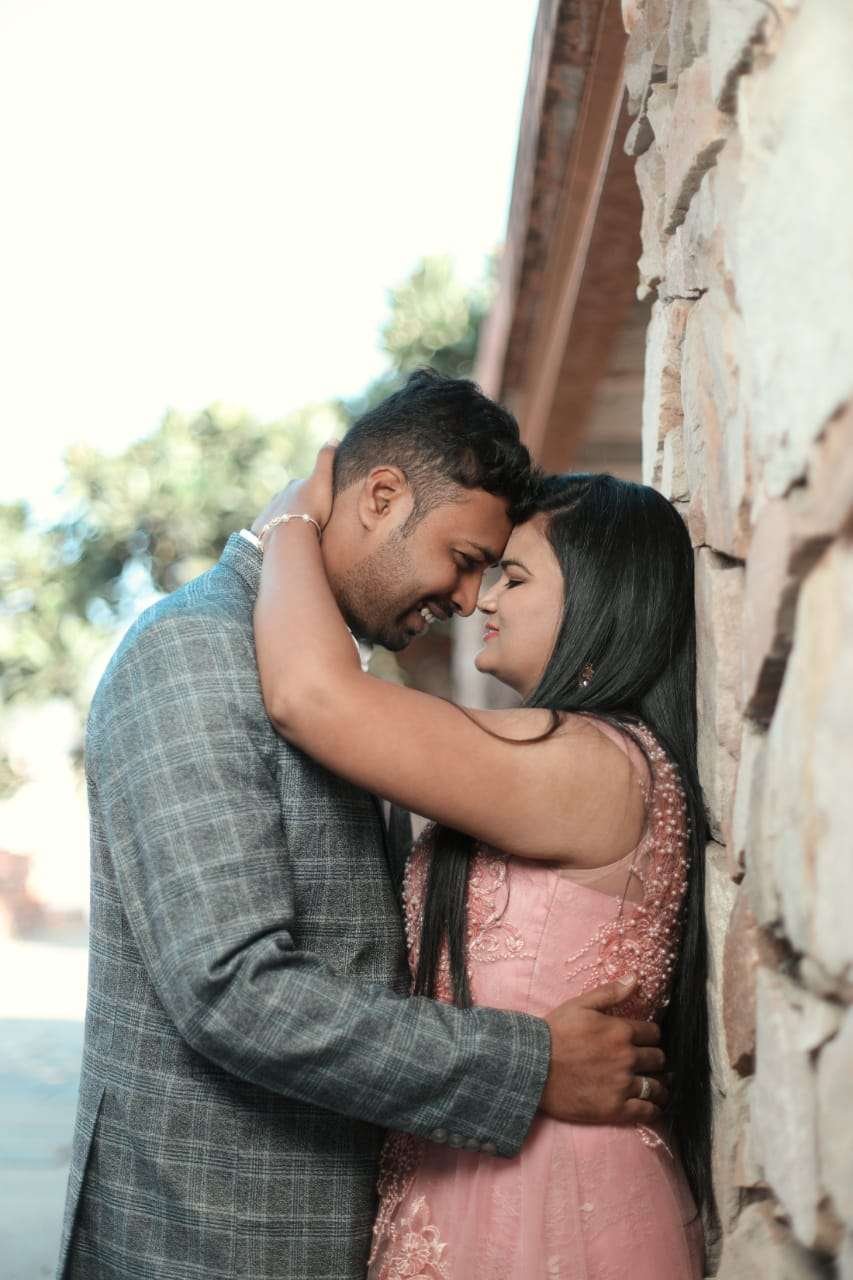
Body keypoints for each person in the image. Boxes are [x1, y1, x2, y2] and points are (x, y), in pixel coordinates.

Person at [57, 371, 667, 1280]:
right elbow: (231, 988)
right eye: (465, 557)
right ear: (381, 497)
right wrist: (528, 1065)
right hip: (213, 1234)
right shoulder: (194, 651)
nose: (468, 598)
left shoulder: (337, 677)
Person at [251, 439, 711, 1279]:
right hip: (475, 1165)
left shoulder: (586, 762)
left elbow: (310, 697)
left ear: (599, 603)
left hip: (548, 1202)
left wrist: (287, 523)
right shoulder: (586, 756)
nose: (482, 599)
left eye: (515, 578)